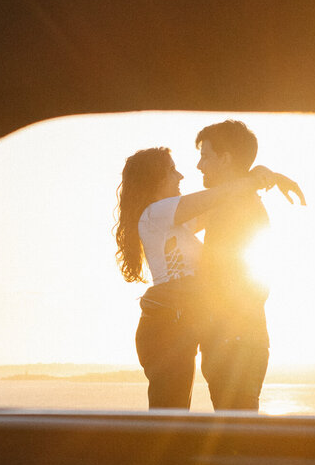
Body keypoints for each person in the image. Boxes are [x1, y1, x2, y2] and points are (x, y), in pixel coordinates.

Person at [114, 143, 302, 410]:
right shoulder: (154, 215)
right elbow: (220, 194)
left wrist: (265, 174)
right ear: (154, 178)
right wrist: (260, 177)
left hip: (178, 326)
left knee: (172, 421)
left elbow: (226, 198)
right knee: (168, 423)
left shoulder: (174, 221)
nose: (181, 176)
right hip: (165, 329)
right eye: (172, 170)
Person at [195, 119, 306, 411]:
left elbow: (248, 280)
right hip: (235, 339)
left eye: (205, 156)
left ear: (226, 158)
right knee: (233, 427)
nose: (199, 165)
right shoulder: (234, 201)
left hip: (237, 342)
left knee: (234, 432)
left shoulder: (239, 206)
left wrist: (223, 330)